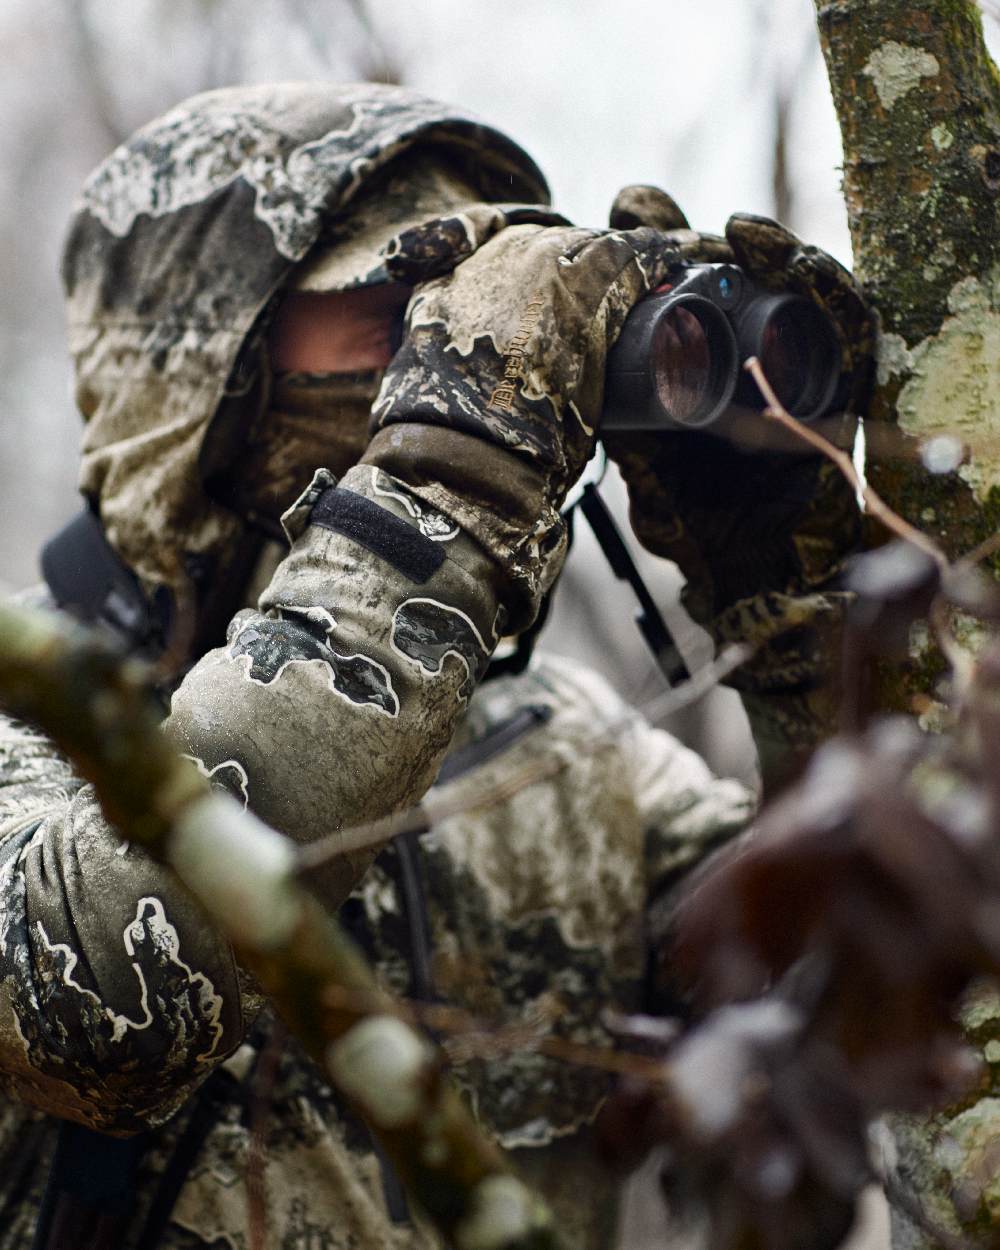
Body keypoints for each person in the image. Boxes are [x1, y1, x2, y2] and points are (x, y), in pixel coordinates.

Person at [0, 82, 871, 1249]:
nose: (440, 358)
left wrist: (803, 633)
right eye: (398, 312)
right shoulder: (24, 716)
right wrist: (456, 472)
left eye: (468, 314)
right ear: (197, 366)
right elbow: (105, 1008)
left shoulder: (555, 746)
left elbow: (872, 991)